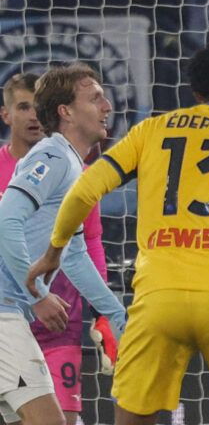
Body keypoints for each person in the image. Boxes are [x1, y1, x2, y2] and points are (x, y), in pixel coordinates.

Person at [27, 40, 209, 425]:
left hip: (157, 299)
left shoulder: (151, 130)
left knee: (132, 415)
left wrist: (54, 252)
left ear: (196, 93)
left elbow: (84, 190)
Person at [0, 64, 127, 425]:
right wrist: (38, 295)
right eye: (95, 98)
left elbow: (73, 254)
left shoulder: (73, 166)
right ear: (65, 111)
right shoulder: (52, 156)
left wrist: (115, 315)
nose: (107, 106)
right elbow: (6, 219)